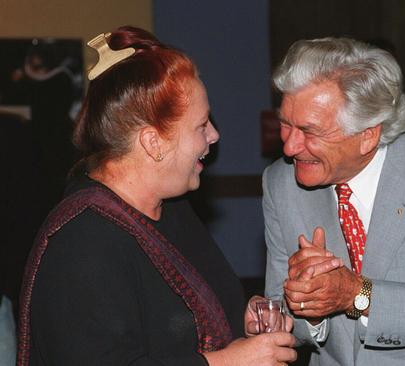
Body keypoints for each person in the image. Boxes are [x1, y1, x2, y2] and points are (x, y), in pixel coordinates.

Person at [17, 26, 296, 366]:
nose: (214, 135)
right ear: (153, 143)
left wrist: (244, 319)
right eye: (201, 125)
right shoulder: (82, 240)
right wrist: (227, 363)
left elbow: (197, 319)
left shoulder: (172, 209)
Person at [262, 37, 405, 365]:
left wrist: (356, 294)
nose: (289, 147)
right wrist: (308, 309)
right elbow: (283, 313)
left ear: (367, 135)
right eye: (286, 124)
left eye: (310, 131)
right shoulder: (281, 183)